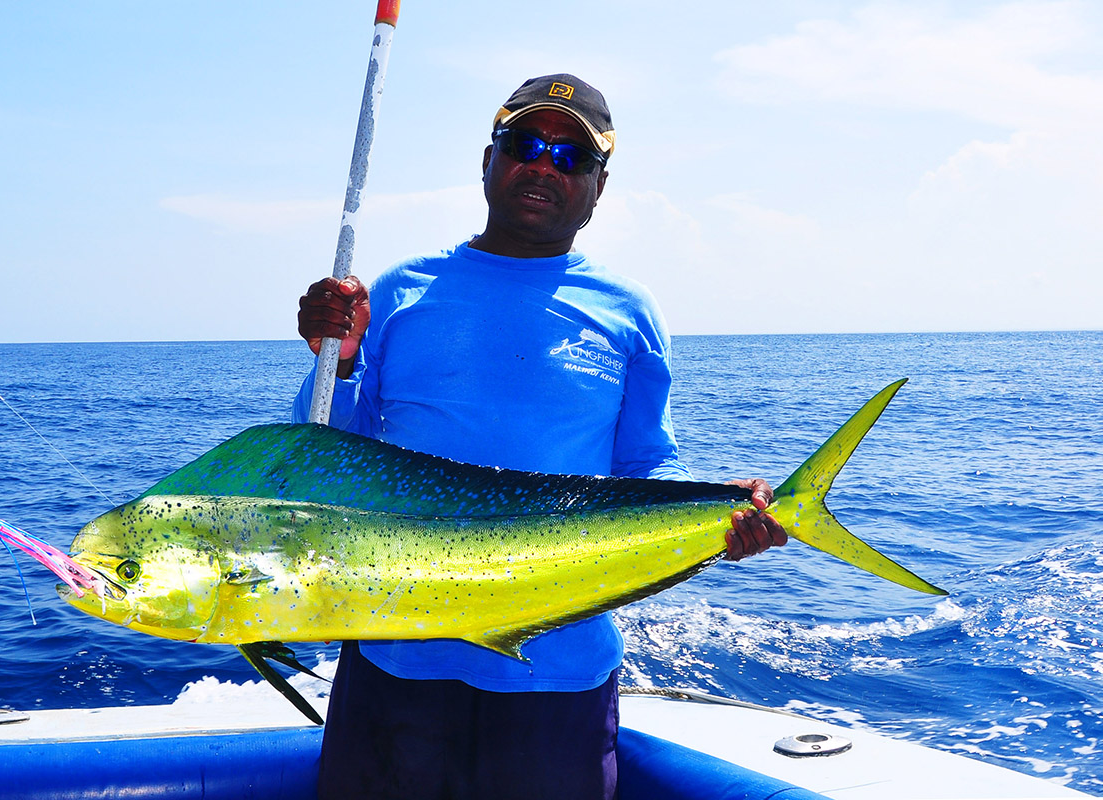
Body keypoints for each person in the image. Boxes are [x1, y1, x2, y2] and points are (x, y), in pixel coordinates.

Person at [292, 73, 787, 800]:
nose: (543, 165)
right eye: (525, 144)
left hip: (559, 668)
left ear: (600, 185)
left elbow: (645, 465)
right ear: (487, 160)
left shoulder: (630, 312)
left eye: (570, 157)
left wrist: (720, 512)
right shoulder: (398, 292)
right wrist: (333, 356)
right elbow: (329, 459)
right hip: (398, 657)